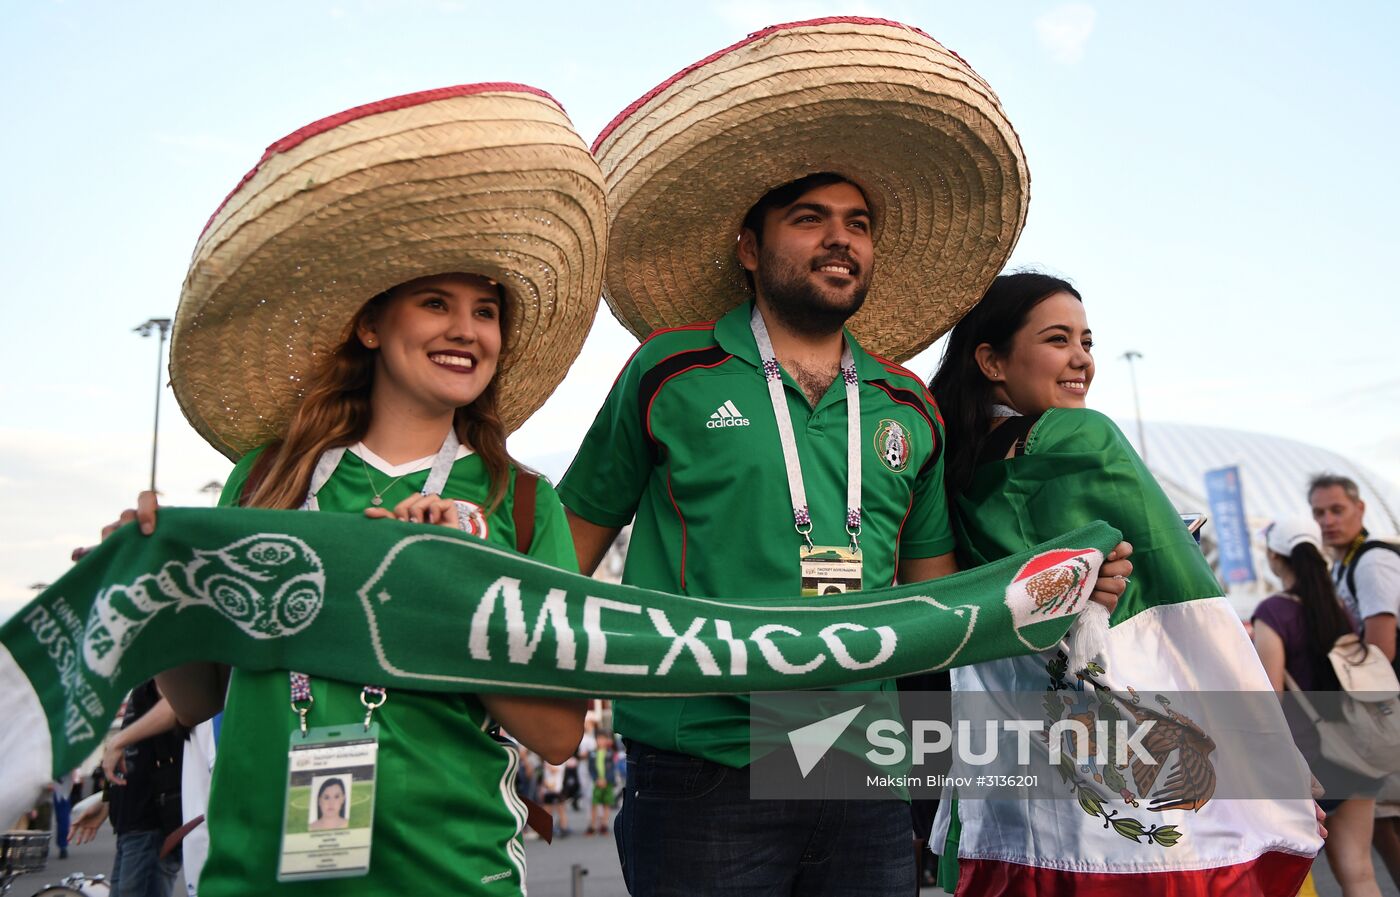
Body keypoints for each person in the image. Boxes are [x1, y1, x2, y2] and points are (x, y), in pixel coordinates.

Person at [565, 19, 1128, 895]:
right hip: (702, 763)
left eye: (858, 223)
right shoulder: (669, 372)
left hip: (862, 770)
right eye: (810, 218)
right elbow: (570, 539)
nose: (842, 239)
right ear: (751, 248)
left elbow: (937, 601)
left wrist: (1062, 588)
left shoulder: (907, 405)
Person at [97, 83, 606, 895]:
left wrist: (452, 579)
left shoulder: (522, 501)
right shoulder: (265, 477)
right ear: (371, 326)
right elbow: (198, 695)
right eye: (435, 302)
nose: (465, 330)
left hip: (452, 877)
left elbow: (554, 733)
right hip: (256, 875)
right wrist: (160, 589)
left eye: (485, 310)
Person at [927, 271, 1321, 894]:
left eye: (1086, 340)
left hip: (1012, 793)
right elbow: (1192, 623)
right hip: (1131, 803)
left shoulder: (949, 467)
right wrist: (1267, 757)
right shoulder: (1083, 439)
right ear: (992, 360)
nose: (1082, 358)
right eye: (1057, 339)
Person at [1253, 516, 1381, 897]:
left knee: (1294, 878)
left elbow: (1269, 699)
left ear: (1275, 557)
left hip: (1308, 762)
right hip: (1355, 750)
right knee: (1359, 873)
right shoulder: (1336, 606)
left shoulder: (1273, 612)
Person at [1309, 474, 1400, 884]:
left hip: (1386, 711)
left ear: (1360, 510)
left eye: (1337, 510)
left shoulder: (1372, 561)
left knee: (1383, 820)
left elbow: (1381, 649)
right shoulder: (1347, 564)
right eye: (1319, 513)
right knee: (1379, 822)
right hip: (1384, 710)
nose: (1328, 521)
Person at [69, 679, 184, 897]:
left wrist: (117, 741)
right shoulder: (144, 677)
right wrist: (106, 802)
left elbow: (176, 704)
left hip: (152, 822)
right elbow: (135, 757)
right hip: (136, 824)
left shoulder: (163, 658)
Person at [586, 731, 620, 836]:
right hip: (597, 782)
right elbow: (591, 769)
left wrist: (606, 779)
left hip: (607, 782)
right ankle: (592, 825)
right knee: (594, 803)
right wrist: (596, 779)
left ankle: (604, 825)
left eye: (603, 739)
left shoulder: (610, 753)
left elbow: (612, 769)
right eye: (599, 739)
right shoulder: (592, 753)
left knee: (606, 803)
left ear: (607, 741)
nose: (601, 741)